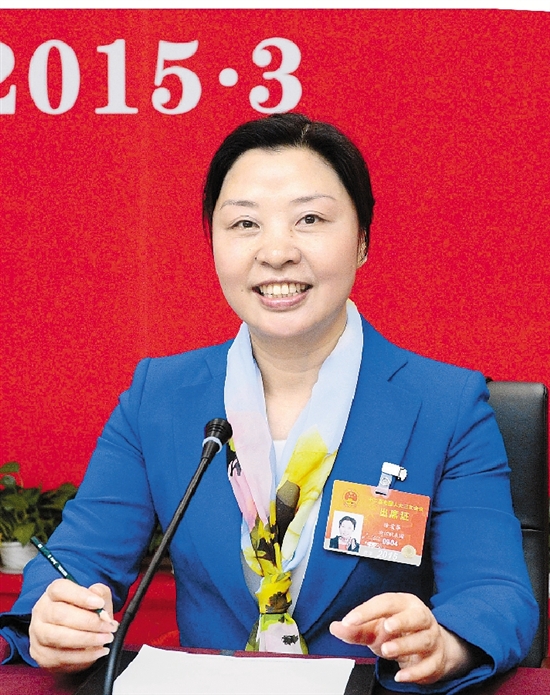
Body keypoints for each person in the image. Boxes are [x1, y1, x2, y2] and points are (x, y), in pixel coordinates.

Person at [0, 113, 538, 692]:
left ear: (362, 240)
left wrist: (446, 641)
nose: (276, 252)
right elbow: (74, 564)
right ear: (213, 243)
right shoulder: (161, 396)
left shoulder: (445, 405)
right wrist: (55, 618)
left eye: (310, 219)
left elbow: (495, 592)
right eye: (245, 223)